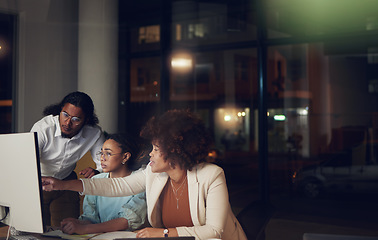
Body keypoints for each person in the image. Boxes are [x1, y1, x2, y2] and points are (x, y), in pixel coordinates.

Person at [42, 109, 247, 240]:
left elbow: (213, 231)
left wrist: (162, 234)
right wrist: (62, 185)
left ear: (175, 150)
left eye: (156, 149)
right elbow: (116, 186)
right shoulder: (154, 173)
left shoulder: (211, 175)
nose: (150, 153)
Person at [31, 91, 105, 227]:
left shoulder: (94, 133)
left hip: (67, 184)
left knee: (68, 231)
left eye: (76, 119)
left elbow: (104, 162)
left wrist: (97, 171)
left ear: (86, 120)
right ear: (60, 110)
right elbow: (29, 161)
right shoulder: (42, 128)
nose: (67, 122)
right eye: (65, 114)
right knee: (37, 232)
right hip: (37, 184)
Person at [60, 133, 147, 235]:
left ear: (125, 157)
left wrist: (85, 229)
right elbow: (91, 218)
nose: (102, 158)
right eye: (101, 153)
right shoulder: (96, 180)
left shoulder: (140, 181)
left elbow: (126, 221)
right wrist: (78, 223)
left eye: (108, 153)